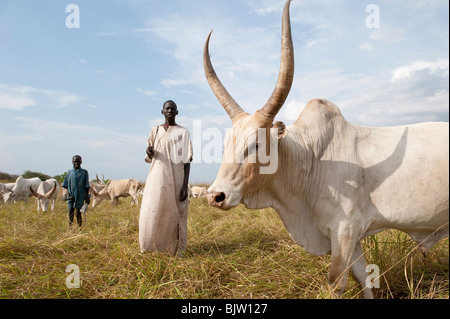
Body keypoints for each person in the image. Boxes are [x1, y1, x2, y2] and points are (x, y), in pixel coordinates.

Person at [139, 100, 193, 256]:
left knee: (178, 212)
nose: (170, 111)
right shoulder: (155, 131)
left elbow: (187, 160)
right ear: (162, 111)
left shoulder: (183, 132)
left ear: (177, 112)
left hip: (177, 178)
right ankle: (151, 248)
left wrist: (184, 186)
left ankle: (177, 251)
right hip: (157, 178)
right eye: (167, 108)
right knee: (153, 211)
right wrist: (149, 152)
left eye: (173, 109)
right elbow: (149, 157)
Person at [62, 155, 90, 227]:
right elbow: (66, 185)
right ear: (72, 162)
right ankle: (70, 228)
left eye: (78, 161)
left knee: (78, 213)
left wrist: (87, 198)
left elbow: (87, 186)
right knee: (70, 212)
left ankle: (80, 228)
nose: (76, 163)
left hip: (80, 196)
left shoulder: (84, 172)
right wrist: (69, 195)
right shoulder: (69, 172)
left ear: (81, 162)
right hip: (70, 196)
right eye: (75, 162)